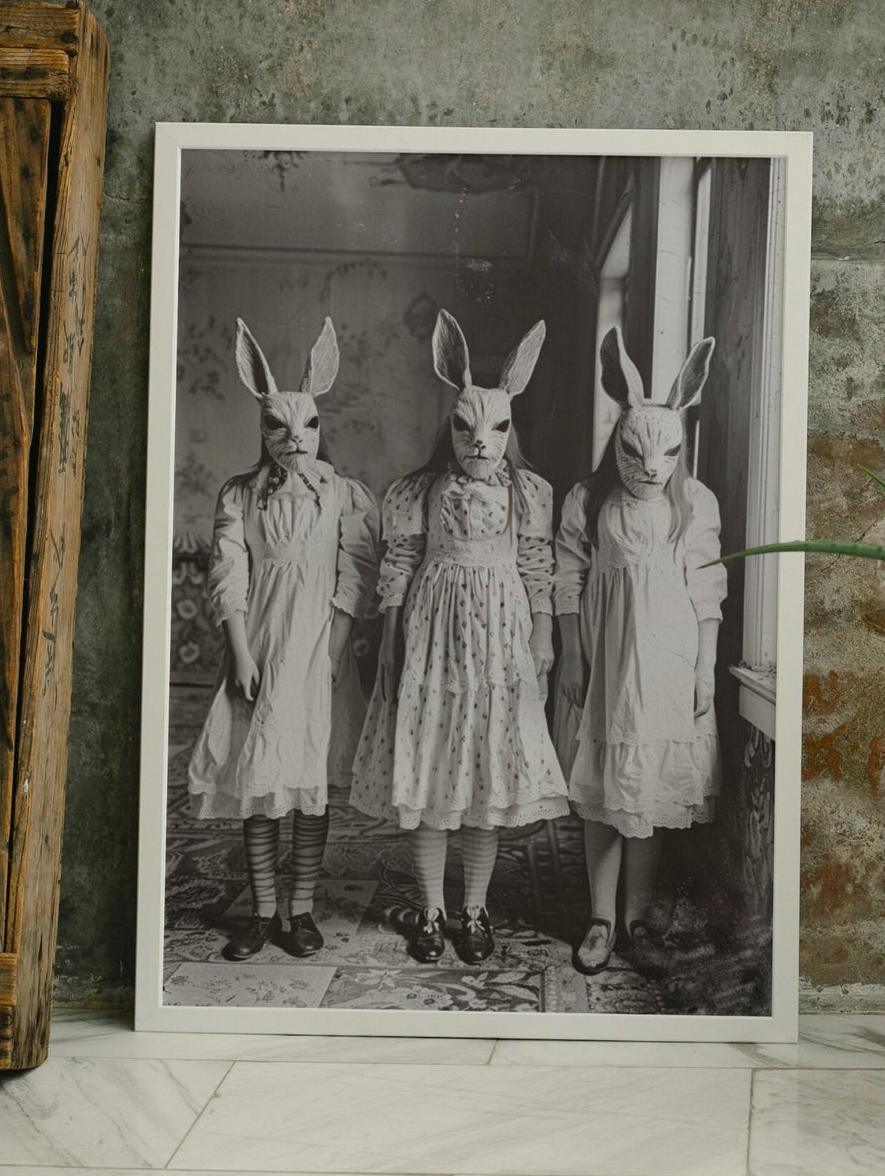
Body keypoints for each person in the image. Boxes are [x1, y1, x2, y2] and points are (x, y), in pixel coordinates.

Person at [351, 310, 567, 964]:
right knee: (433, 770)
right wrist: (390, 638)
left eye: (495, 428)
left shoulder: (529, 492)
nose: (480, 441)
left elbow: (536, 568)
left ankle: (473, 909)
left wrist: (542, 636)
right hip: (432, 632)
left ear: (510, 427)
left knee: (483, 773)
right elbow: (399, 562)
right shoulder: (418, 490)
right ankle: (430, 909)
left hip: (499, 637)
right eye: (466, 426)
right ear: (449, 424)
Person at [186, 316, 378, 960]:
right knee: (262, 780)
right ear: (263, 429)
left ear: (321, 427)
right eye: (279, 427)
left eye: (307, 427)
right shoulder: (240, 497)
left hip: (318, 652)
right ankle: (262, 911)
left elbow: (355, 573)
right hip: (262, 649)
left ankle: (301, 910)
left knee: (310, 777)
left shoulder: (343, 495)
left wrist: (334, 651)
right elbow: (228, 574)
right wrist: (240, 651)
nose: (295, 440)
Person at [553, 326, 726, 975]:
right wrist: (571, 653)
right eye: (634, 453)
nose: (650, 468)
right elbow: (566, 578)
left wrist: (705, 667)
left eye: (665, 455)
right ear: (617, 441)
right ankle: (599, 916)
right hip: (606, 664)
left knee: (647, 793)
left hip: (667, 665)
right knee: (604, 789)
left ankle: (637, 918)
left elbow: (707, 587)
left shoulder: (693, 503)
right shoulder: (588, 501)